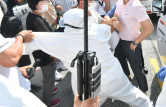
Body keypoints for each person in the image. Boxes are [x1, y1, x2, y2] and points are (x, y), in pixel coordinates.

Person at [24, 8, 152, 107]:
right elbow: (110, 28)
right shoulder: (99, 31)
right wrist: (113, 21)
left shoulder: (60, 40)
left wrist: (21, 36)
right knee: (140, 100)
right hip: (114, 79)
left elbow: (28, 42)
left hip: (88, 86)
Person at [108, 0, 154, 94]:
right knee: (121, 64)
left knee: (137, 70)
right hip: (119, 41)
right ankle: (127, 81)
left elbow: (149, 28)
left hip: (131, 43)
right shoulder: (120, 2)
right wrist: (115, 20)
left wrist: (135, 42)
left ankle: (144, 93)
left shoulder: (136, 7)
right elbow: (115, 16)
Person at [28, 0, 65, 80]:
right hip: (44, 27)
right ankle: (52, 73)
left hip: (51, 25)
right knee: (48, 52)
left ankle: (57, 64)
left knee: (54, 48)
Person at [26, 0, 61, 107]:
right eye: (43, 2)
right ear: (36, 4)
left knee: (49, 75)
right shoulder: (36, 19)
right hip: (44, 53)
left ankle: (49, 90)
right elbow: (48, 35)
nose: (46, 4)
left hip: (43, 52)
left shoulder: (35, 15)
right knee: (48, 78)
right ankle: (47, 102)